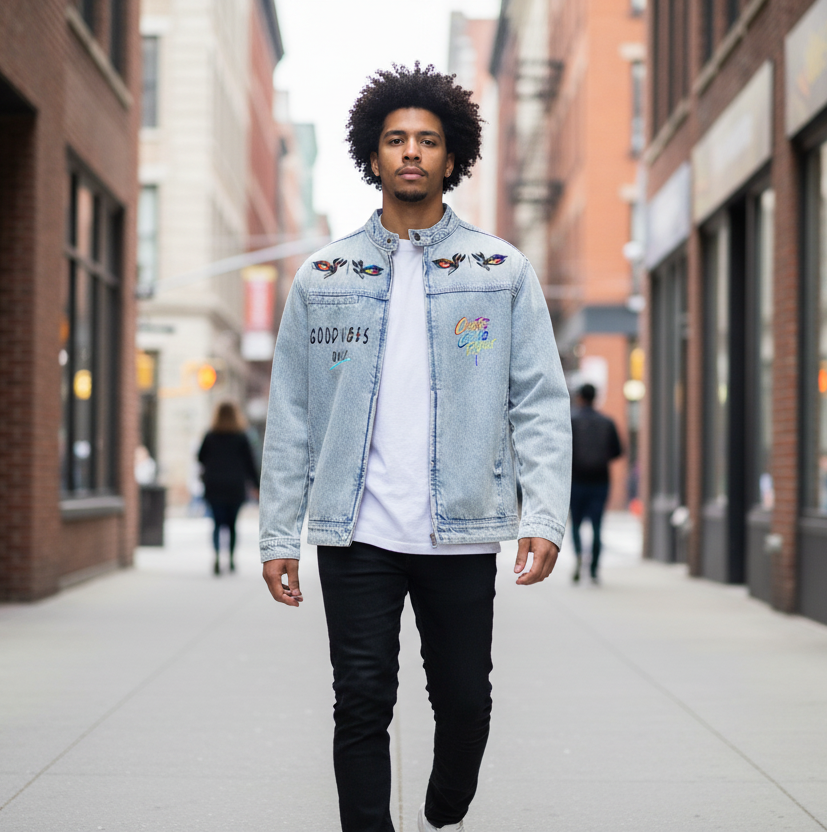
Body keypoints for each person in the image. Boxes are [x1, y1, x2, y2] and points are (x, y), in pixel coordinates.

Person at [258, 64, 571, 832]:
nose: (410, 153)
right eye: (395, 139)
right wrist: (279, 533)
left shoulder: (500, 271)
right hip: (355, 530)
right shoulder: (323, 275)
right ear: (372, 155)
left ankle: (447, 802)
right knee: (360, 698)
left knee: (464, 701)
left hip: (459, 527)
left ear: (451, 157)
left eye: (427, 141)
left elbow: (537, 402)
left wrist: (544, 515)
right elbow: (291, 414)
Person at [197, 401, 259, 575]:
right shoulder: (241, 436)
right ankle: (231, 560)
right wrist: (256, 486)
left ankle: (217, 558)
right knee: (232, 525)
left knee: (216, 524)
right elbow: (250, 464)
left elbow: (200, 458)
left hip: (214, 485)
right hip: (235, 487)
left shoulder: (210, 435)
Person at [569, 383, 623, 583]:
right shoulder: (607, 422)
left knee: (576, 524)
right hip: (600, 481)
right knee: (597, 526)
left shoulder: (571, 421)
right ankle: (593, 569)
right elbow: (618, 451)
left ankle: (578, 558)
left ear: (580, 398)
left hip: (576, 482)